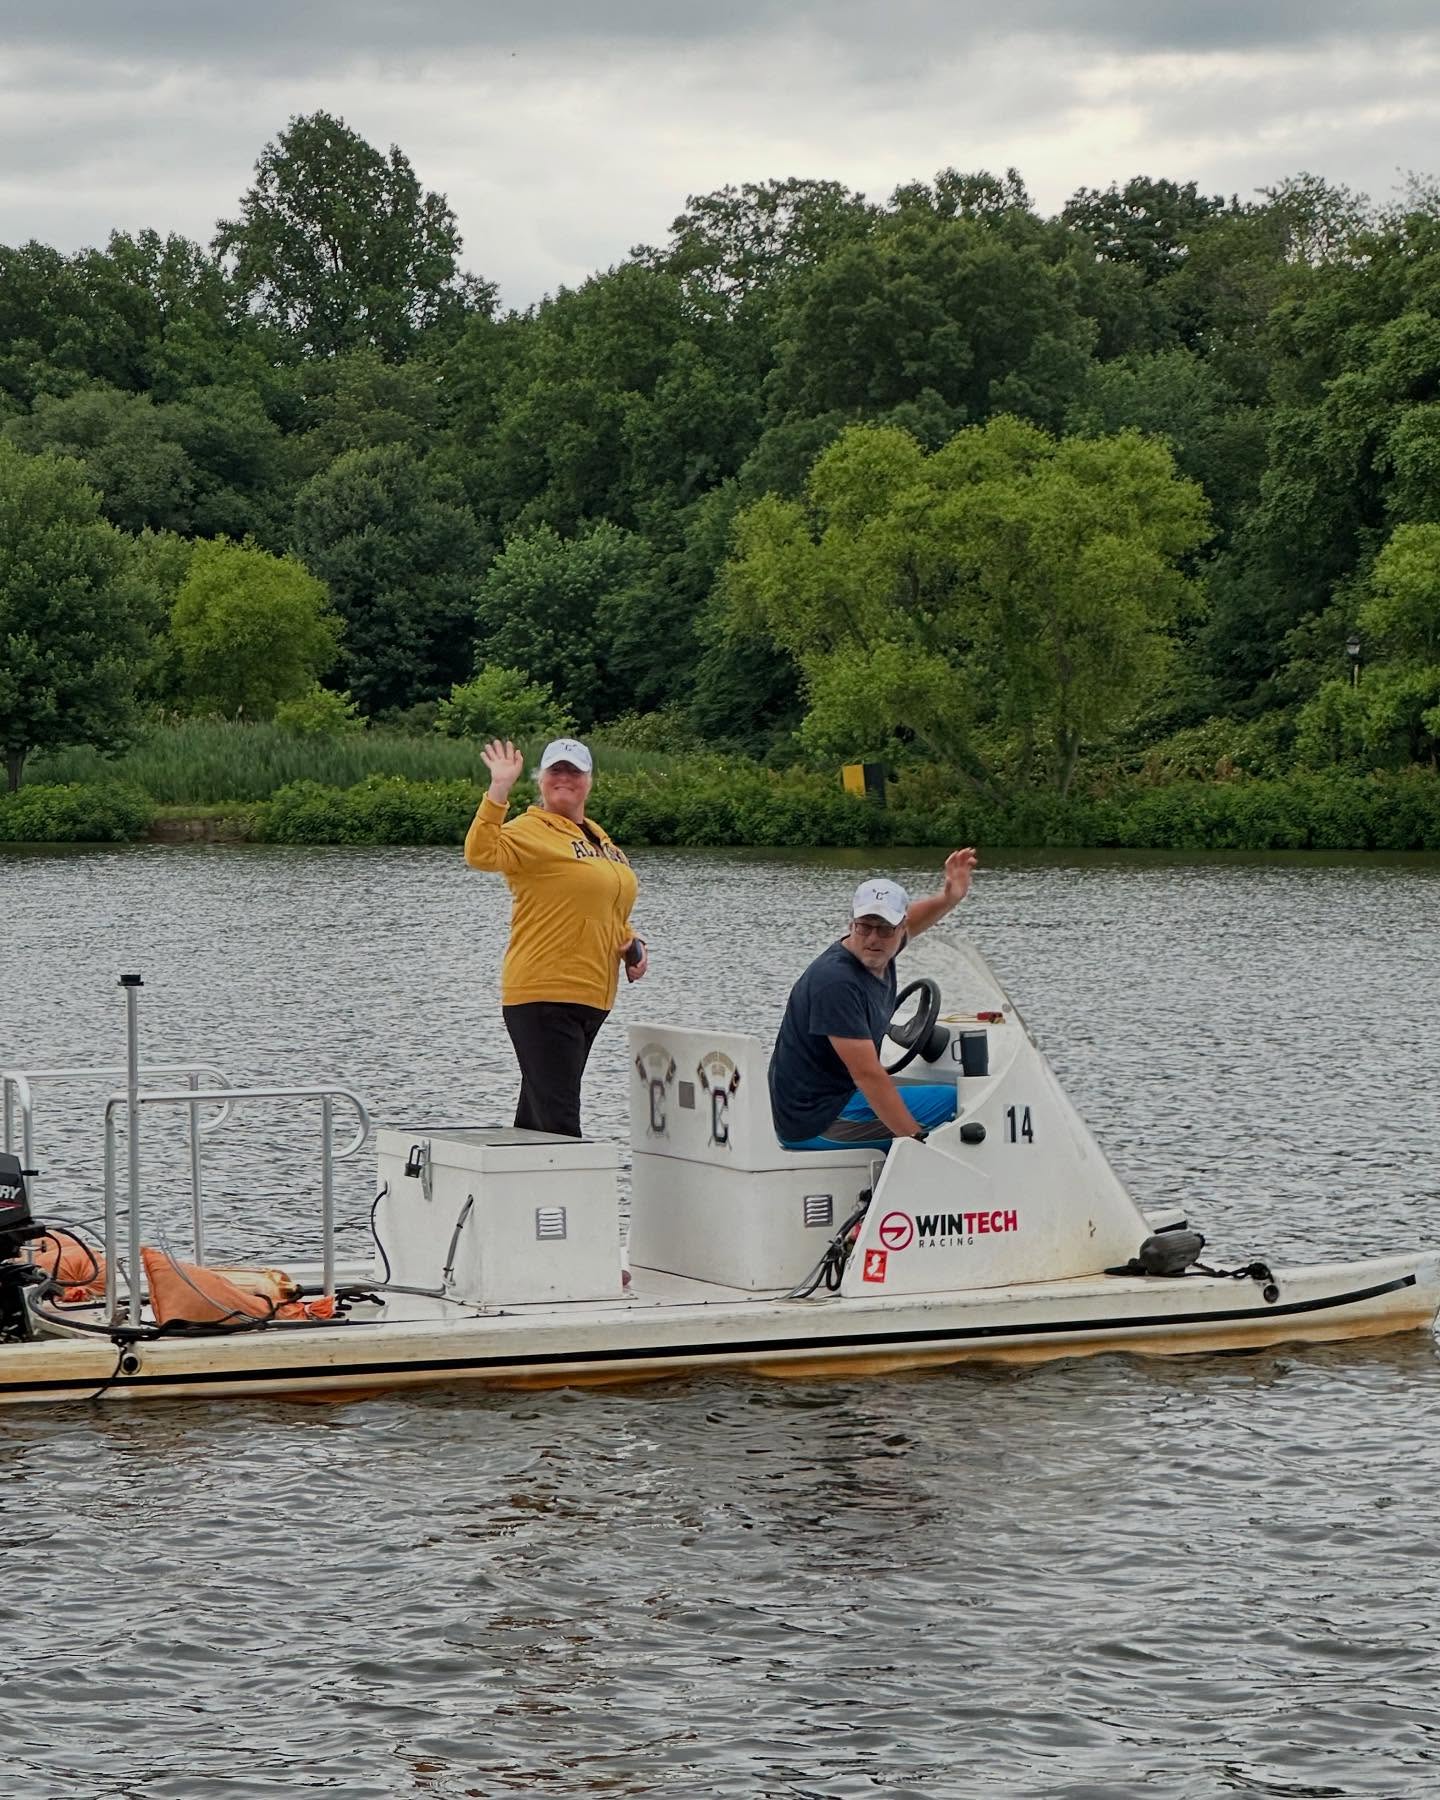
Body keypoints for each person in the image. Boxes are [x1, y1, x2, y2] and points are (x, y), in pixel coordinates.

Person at [464, 736, 647, 1137]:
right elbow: (480, 853)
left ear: (589, 781)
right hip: (544, 994)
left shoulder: (601, 841)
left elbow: (609, 909)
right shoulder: (528, 832)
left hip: (591, 997)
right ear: (542, 780)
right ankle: (572, 1197)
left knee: (539, 1116)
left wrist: (633, 945)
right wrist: (498, 789)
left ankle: (517, 1195)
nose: (564, 777)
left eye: (574, 771)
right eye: (556, 770)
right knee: (560, 1121)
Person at [768, 851, 978, 1151]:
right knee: (962, 1102)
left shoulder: (881, 953)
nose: (873, 938)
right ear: (852, 923)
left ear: (900, 928)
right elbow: (867, 1075)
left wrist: (949, 898)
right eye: (864, 926)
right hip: (816, 1121)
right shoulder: (836, 982)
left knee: (948, 1093)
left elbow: (916, 918)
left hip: (833, 1099)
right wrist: (917, 1144)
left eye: (884, 928)